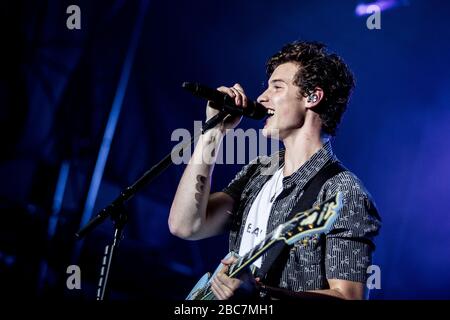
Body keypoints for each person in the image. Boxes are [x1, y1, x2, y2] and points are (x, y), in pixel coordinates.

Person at [168, 41, 381, 300]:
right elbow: (185, 224)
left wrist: (260, 294)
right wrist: (214, 131)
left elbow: (349, 298)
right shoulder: (261, 171)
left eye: (277, 87)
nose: (261, 98)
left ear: (313, 97)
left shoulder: (343, 191)